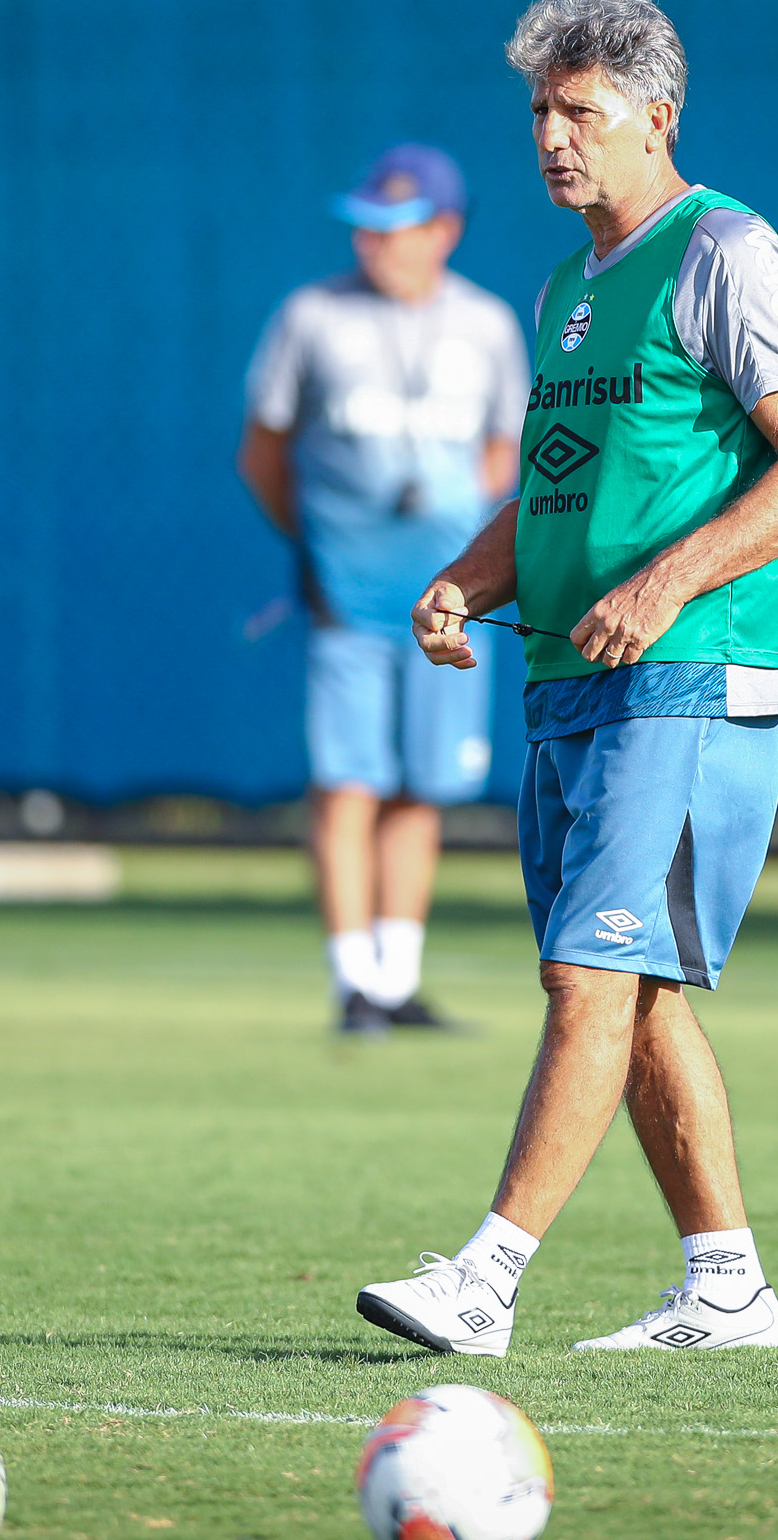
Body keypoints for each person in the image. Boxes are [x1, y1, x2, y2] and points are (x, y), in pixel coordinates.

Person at [355, 0, 778, 1356]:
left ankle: (487, 1279)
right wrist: (465, 577)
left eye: (582, 110)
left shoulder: (725, 252)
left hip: (695, 667)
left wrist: (666, 579)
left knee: (592, 975)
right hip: (570, 675)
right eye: (539, 110)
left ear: (657, 117)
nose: (554, 136)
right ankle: (728, 1284)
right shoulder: (570, 284)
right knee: (621, 998)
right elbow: (555, 489)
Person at [239, 144, 530, 1033]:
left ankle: (397, 982)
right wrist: (326, 550)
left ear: (445, 231)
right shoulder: (311, 316)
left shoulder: (486, 324)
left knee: (423, 784)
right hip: (348, 597)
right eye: (365, 225)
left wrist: (467, 561)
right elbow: (264, 453)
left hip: (449, 598)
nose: (375, 242)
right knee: (347, 779)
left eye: (396, 227)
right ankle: (351, 981)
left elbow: (500, 455)